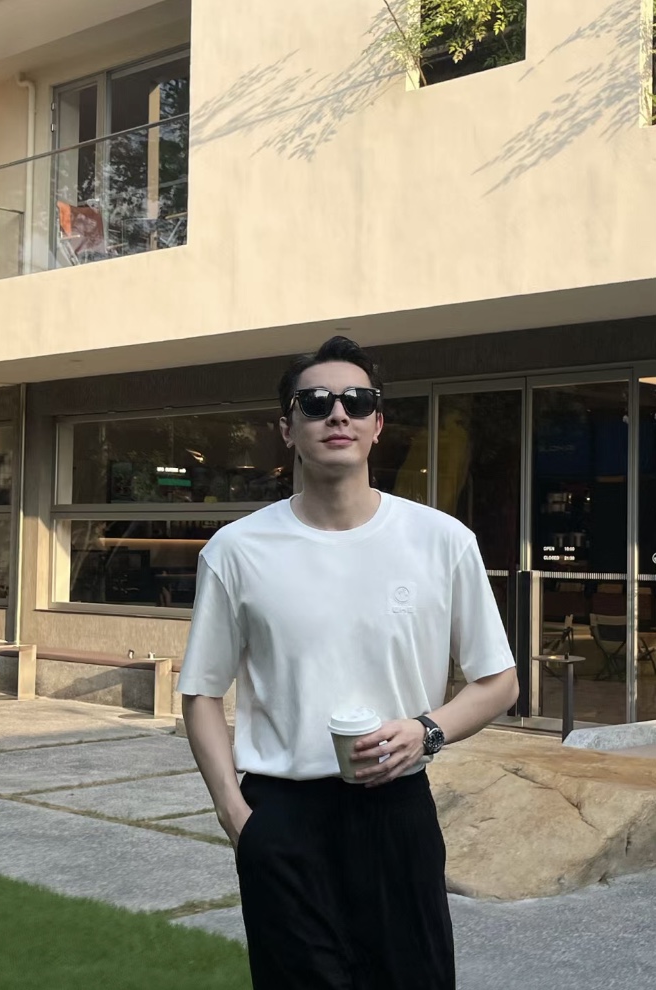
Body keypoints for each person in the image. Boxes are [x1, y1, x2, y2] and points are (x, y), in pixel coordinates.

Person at [178, 336, 519, 990]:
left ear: (377, 423)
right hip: (282, 816)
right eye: (315, 402)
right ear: (288, 428)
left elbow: (499, 681)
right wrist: (235, 816)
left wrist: (426, 730)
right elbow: (201, 693)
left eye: (357, 401)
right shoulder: (236, 550)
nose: (338, 413)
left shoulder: (442, 541)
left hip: (396, 811)